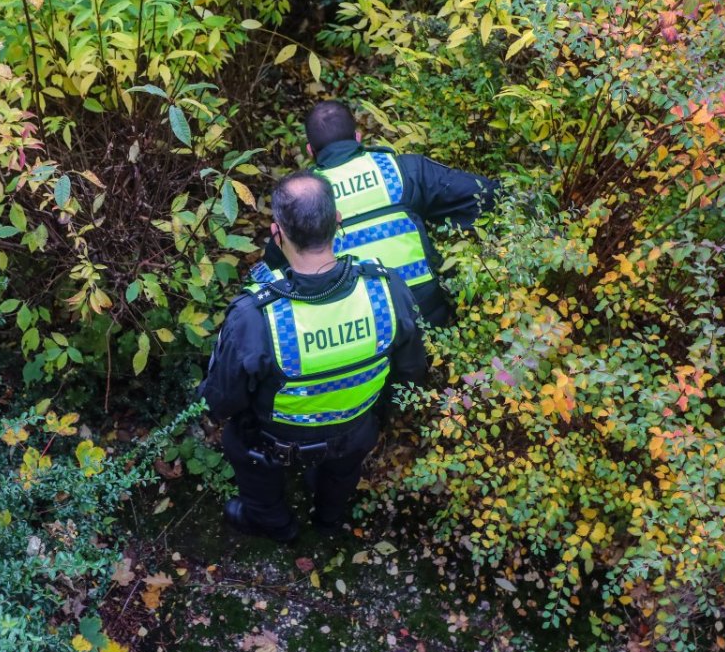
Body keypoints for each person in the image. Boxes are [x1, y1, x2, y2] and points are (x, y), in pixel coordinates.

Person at [200, 171, 427, 542]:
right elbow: (411, 369)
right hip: (356, 429)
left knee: (239, 443)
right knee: (342, 472)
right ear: (337, 221)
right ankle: (328, 519)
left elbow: (221, 399)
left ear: (277, 233)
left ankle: (275, 524)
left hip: (275, 440)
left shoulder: (256, 315)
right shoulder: (386, 289)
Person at [257, 100, 501, 327]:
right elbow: (485, 196)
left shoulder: (305, 196)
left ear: (310, 150)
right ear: (358, 137)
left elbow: (274, 269)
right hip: (423, 315)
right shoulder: (402, 169)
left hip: (359, 324)